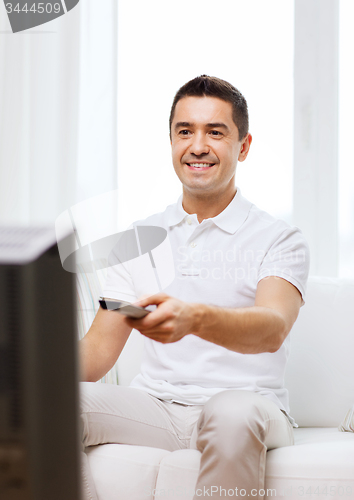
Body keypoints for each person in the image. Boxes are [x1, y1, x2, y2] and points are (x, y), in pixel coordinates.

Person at [80, 75, 309, 500]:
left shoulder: (279, 238)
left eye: (215, 132)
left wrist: (195, 318)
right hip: (157, 407)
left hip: (249, 404)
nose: (197, 145)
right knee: (43, 402)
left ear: (243, 146)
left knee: (233, 412)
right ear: (171, 142)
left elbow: (273, 328)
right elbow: (95, 355)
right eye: (185, 131)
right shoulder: (139, 238)